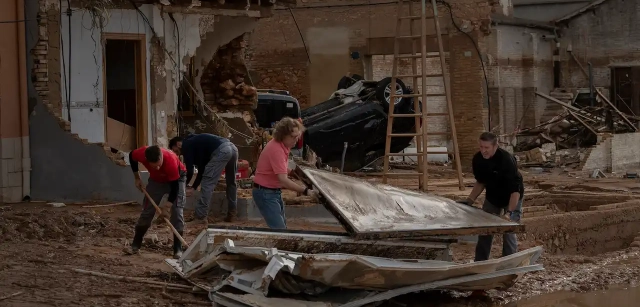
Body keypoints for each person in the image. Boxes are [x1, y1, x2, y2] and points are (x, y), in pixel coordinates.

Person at [458, 132, 524, 263]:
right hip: (492, 197)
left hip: (511, 197)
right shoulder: (478, 159)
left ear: (495, 146)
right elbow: (481, 182)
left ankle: (509, 263)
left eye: (486, 147)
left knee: (508, 231)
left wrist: (509, 213)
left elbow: (515, 190)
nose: (483, 151)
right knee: (485, 231)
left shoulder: (506, 160)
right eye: (481, 147)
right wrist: (470, 200)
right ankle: (480, 262)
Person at [253, 117, 319, 229]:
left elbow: (279, 168)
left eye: (297, 136)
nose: (296, 139)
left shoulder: (283, 146)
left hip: (272, 192)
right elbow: (283, 180)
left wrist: (293, 173)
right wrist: (306, 191)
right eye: (293, 137)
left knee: (282, 229)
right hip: (265, 193)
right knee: (280, 231)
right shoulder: (277, 150)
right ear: (282, 135)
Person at [125, 145, 187, 259]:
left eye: (159, 165)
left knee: (177, 212)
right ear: (146, 160)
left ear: (161, 157)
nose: (157, 168)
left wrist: (167, 207)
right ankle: (135, 244)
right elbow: (131, 155)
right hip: (156, 180)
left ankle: (177, 248)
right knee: (147, 211)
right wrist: (137, 177)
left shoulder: (171, 160)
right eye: (154, 167)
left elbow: (175, 188)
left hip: (177, 179)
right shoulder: (141, 153)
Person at [169, 134, 239, 230]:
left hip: (222, 151)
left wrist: (184, 186)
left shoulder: (186, 145)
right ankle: (232, 213)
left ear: (178, 144)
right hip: (232, 147)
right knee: (231, 181)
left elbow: (189, 170)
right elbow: (201, 170)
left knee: (207, 184)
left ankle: (200, 216)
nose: (179, 154)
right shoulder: (198, 144)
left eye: (176, 151)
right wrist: (193, 187)